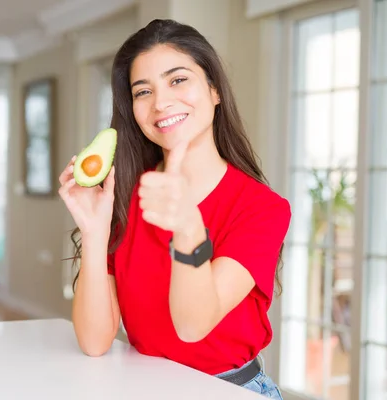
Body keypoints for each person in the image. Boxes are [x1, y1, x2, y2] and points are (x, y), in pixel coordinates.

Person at [58, 18, 291, 399]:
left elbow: (193, 325)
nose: (161, 102)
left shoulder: (262, 209)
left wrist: (188, 227)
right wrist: (95, 232)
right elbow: (95, 341)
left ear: (215, 90)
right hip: (144, 388)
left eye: (178, 80)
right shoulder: (126, 195)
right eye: (142, 91)